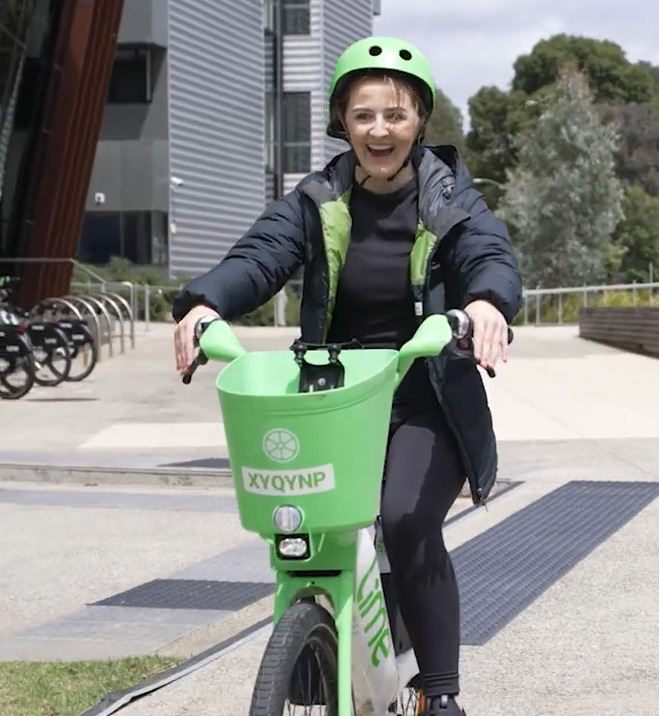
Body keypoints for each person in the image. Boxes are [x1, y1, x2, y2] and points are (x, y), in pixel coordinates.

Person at [169, 36, 522, 716]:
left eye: (395, 114)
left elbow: (488, 255)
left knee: (403, 518)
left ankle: (440, 694)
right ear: (343, 122)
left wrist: (484, 304)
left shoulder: (449, 198)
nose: (380, 130)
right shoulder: (319, 199)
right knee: (309, 530)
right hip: (335, 398)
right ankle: (323, 651)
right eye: (364, 115)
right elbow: (262, 254)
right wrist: (207, 301)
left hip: (425, 394)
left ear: (419, 119)